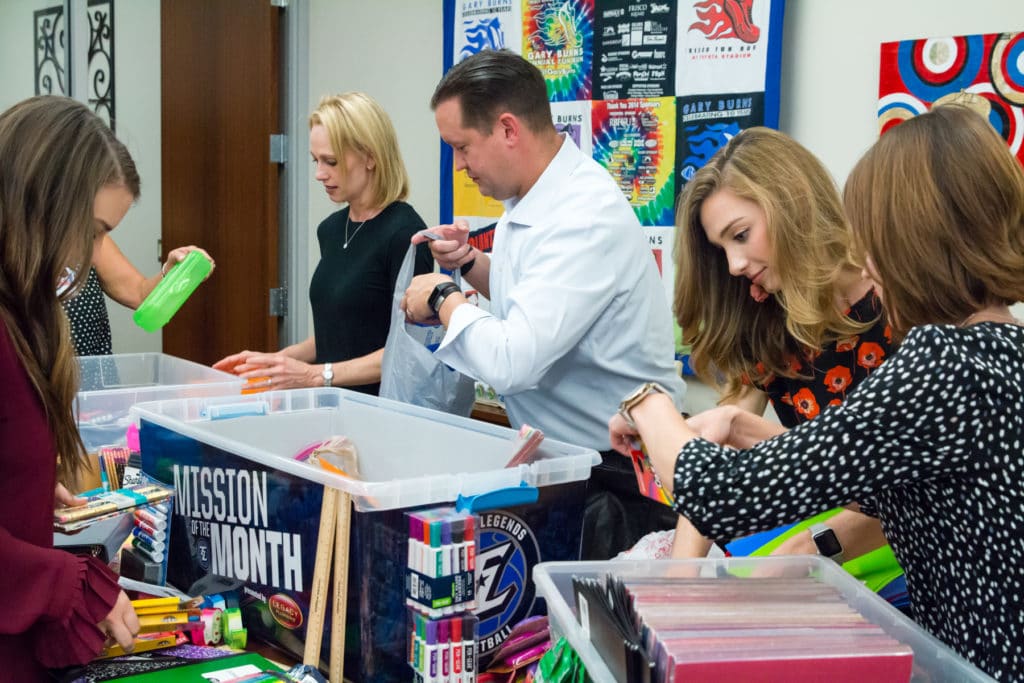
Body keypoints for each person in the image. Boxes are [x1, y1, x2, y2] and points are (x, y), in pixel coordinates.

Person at [608, 105, 1024, 679]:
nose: (870, 260)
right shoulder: (1000, 352)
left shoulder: (939, 361)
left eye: (875, 241)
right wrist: (740, 428)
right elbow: (883, 488)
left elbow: (724, 494)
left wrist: (646, 401)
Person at [400, 49, 686, 560]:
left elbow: (514, 362)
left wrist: (443, 297)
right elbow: (530, 296)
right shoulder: (529, 199)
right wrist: (469, 264)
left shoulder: (581, 215)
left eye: (462, 147)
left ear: (508, 129)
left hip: (621, 479)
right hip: (573, 462)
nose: (459, 165)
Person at [663, 127, 894, 566]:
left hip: (912, 554)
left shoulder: (898, 301)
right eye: (722, 249)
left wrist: (810, 546)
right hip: (830, 542)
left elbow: (910, 494)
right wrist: (681, 576)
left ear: (791, 204)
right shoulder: (767, 321)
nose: (733, 265)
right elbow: (714, 466)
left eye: (741, 235)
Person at [0, 95, 140, 679]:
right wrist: (69, 585)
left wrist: (26, 483)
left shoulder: (23, 313)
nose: (88, 257)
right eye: (92, 231)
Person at [214, 92, 433, 394]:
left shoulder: (406, 235)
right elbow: (339, 333)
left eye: (331, 161)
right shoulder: (331, 230)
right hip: (331, 406)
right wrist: (274, 363)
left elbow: (406, 352)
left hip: (381, 409)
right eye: (316, 160)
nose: (319, 174)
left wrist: (315, 376)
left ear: (371, 156)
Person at [57, 137, 213, 355]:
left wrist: (171, 272)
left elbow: (139, 294)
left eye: (101, 233)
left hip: (95, 384)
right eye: (93, 231)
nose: (92, 256)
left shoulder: (94, 244)